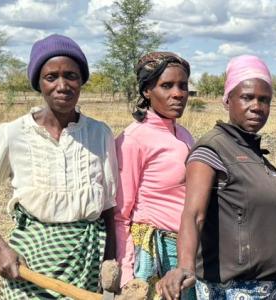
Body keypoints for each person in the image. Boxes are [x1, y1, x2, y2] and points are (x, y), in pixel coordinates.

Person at [0, 34, 118, 298]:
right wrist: (0, 249)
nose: (62, 85)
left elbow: (108, 208)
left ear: (81, 81)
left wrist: (109, 264)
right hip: (30, 264)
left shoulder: (99, 134)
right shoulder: (12, 134)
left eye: (71, 76)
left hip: (86, 262)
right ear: (38, 83)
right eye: (51, 77)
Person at [156, 55, 276, 300]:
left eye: (265, 100)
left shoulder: (256, 155)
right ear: (228, 100)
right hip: (231, 290)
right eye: (247, 97)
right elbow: (193, 214)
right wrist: (185, 266)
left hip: (269, 288)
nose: (257, 106)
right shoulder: (212, 150)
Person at [114, 51, 196, 299]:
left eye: (183, 86)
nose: (178, 93)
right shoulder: (133, 139)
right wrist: (127, 275)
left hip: (183, 254)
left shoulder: (184, 135)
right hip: (151, 255)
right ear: (147, 91)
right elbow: (120, 215)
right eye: (167, 85)